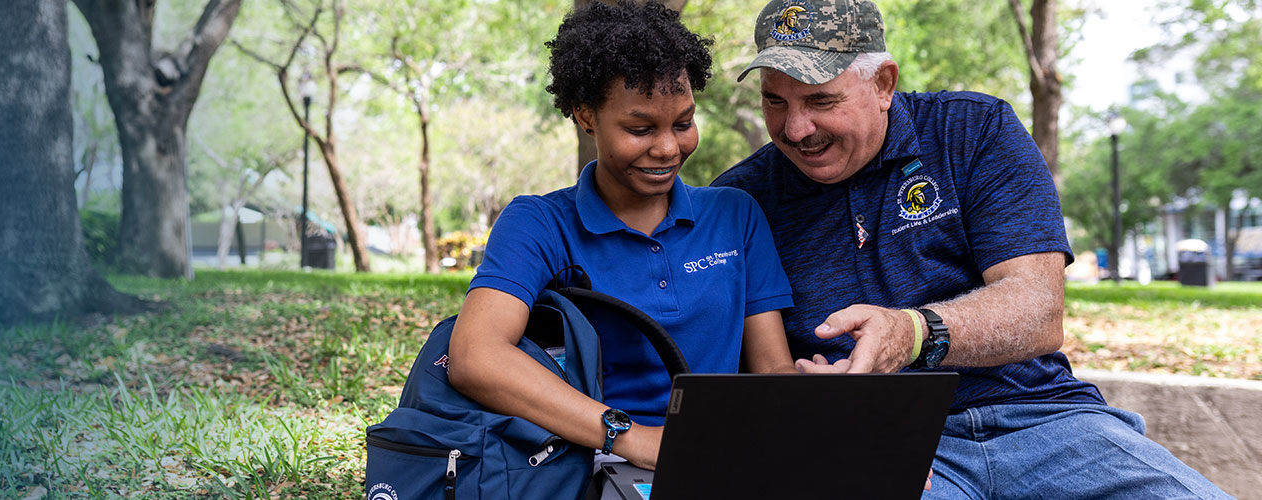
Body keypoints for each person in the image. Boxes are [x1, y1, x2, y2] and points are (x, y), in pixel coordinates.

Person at [711, 0, 1233, 497]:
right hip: (876, 438)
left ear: (884, 84)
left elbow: (1038, 309)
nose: (796, 129)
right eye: (775, 101)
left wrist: (911, 332)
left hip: (1044, 419)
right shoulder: (742, 199)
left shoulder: (974, 130)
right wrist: (804, 404)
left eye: (822, 100)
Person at [449, 1, 796, 470]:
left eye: (683, 123)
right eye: (640, 128)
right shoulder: (539, 223)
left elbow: (772, 369)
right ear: (585, 116)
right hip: (587, 460)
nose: (669, 148)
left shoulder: (735, 215)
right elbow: (476, 355)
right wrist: (632, 438)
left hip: (718, 455)